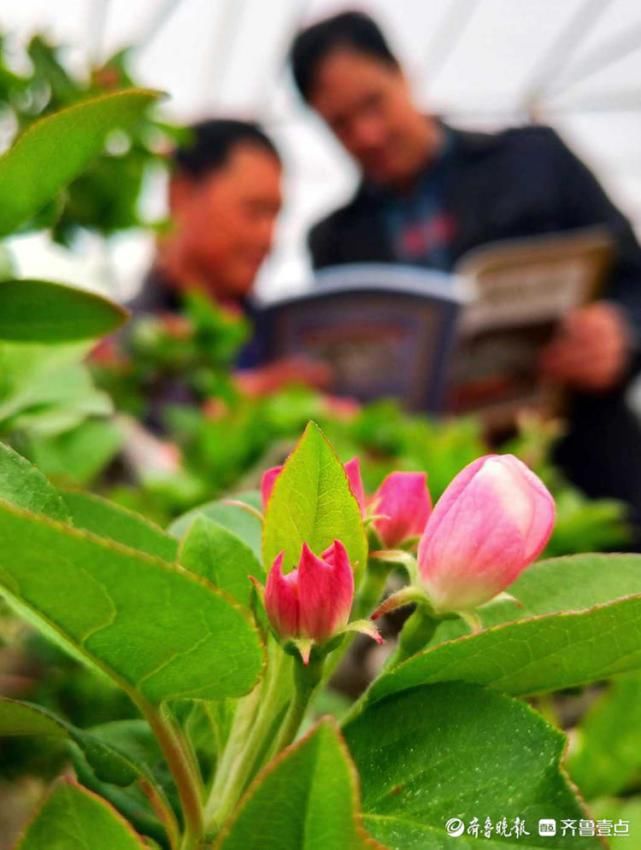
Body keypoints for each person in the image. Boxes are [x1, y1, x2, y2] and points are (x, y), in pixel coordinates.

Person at [289, 11, 641, 537]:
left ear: (404, 74)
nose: (367, 133)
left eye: (373, 103)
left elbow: (633, 278)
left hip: (591, 467)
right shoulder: (335, 243)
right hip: (444, 506)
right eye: (340, 124)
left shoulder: (534, 161)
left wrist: (622, 334)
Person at [132, 118, 329, 395]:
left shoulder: (286, 341)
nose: (268, 238)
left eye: (274, 216)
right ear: (182, 196)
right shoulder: (120, 347)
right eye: (254, 211)